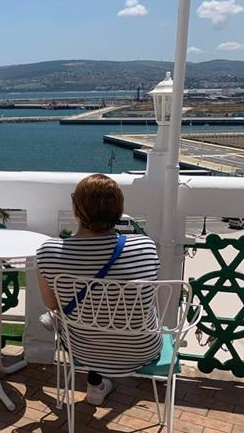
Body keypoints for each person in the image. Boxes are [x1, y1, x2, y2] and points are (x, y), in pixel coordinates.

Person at [36, 174, 161, 406]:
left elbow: (52, 304)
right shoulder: (146, 246)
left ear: (75, 209)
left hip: (84, 350)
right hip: (142, 350)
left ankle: (96, 382)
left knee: (59, 315)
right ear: (119, 211)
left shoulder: (49, 252)